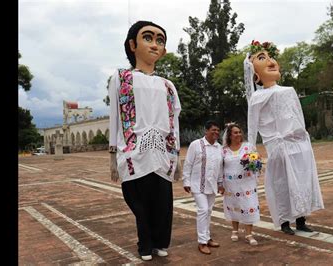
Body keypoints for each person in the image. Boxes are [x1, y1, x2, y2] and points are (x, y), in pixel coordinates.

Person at [108, 20, 181, 261]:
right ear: (132, 44)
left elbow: (174, 120)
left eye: (160, 40)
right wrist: (112, 155)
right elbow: (115, 117)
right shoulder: (122, 78)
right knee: (138, 201)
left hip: (162, 152)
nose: (154, 44)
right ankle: (145, 244)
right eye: (147, 38)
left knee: (163, 202)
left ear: (164, 50)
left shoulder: (168, 85)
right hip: (132, 151)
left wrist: (177, 155)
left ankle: (160, 242)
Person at [244, 40, 324, 235]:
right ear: (255, 75)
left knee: (302, 181)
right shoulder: (257, 97)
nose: (271, 61)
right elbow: (252, 124)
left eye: (271, 57)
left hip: (298, 144)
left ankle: (301, 219)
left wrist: (304, 138)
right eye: (262, 58)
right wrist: (252, 149)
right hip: (278, 146)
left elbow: (299, 116)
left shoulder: (289, 91)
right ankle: (285, 222)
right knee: (282, 185)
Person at [182, 120, 224, 255]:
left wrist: (220, 183)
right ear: (206, 130)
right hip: (197, 184)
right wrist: (186, 181)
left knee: (209, 211)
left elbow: (220, 167)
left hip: (212, 185)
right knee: (203, 210)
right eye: (213, 130)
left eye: (218, 130)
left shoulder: (219, 148)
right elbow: (188, 163)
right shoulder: (196, 145)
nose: (216, 132)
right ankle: (202, 241)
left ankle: (207, 237)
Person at [221, 122, 260, 245]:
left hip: (247, 183)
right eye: (235, 132)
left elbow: (257, 161)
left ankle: (249, 234)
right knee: (234, 205)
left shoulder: (248, 146)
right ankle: (235, 230)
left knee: (248, 205)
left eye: (239, 132)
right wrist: (220, 183)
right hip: (230, 185)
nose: (238, 134)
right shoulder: (224, 151)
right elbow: (220, 167)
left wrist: (254, 160)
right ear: (229, 135)